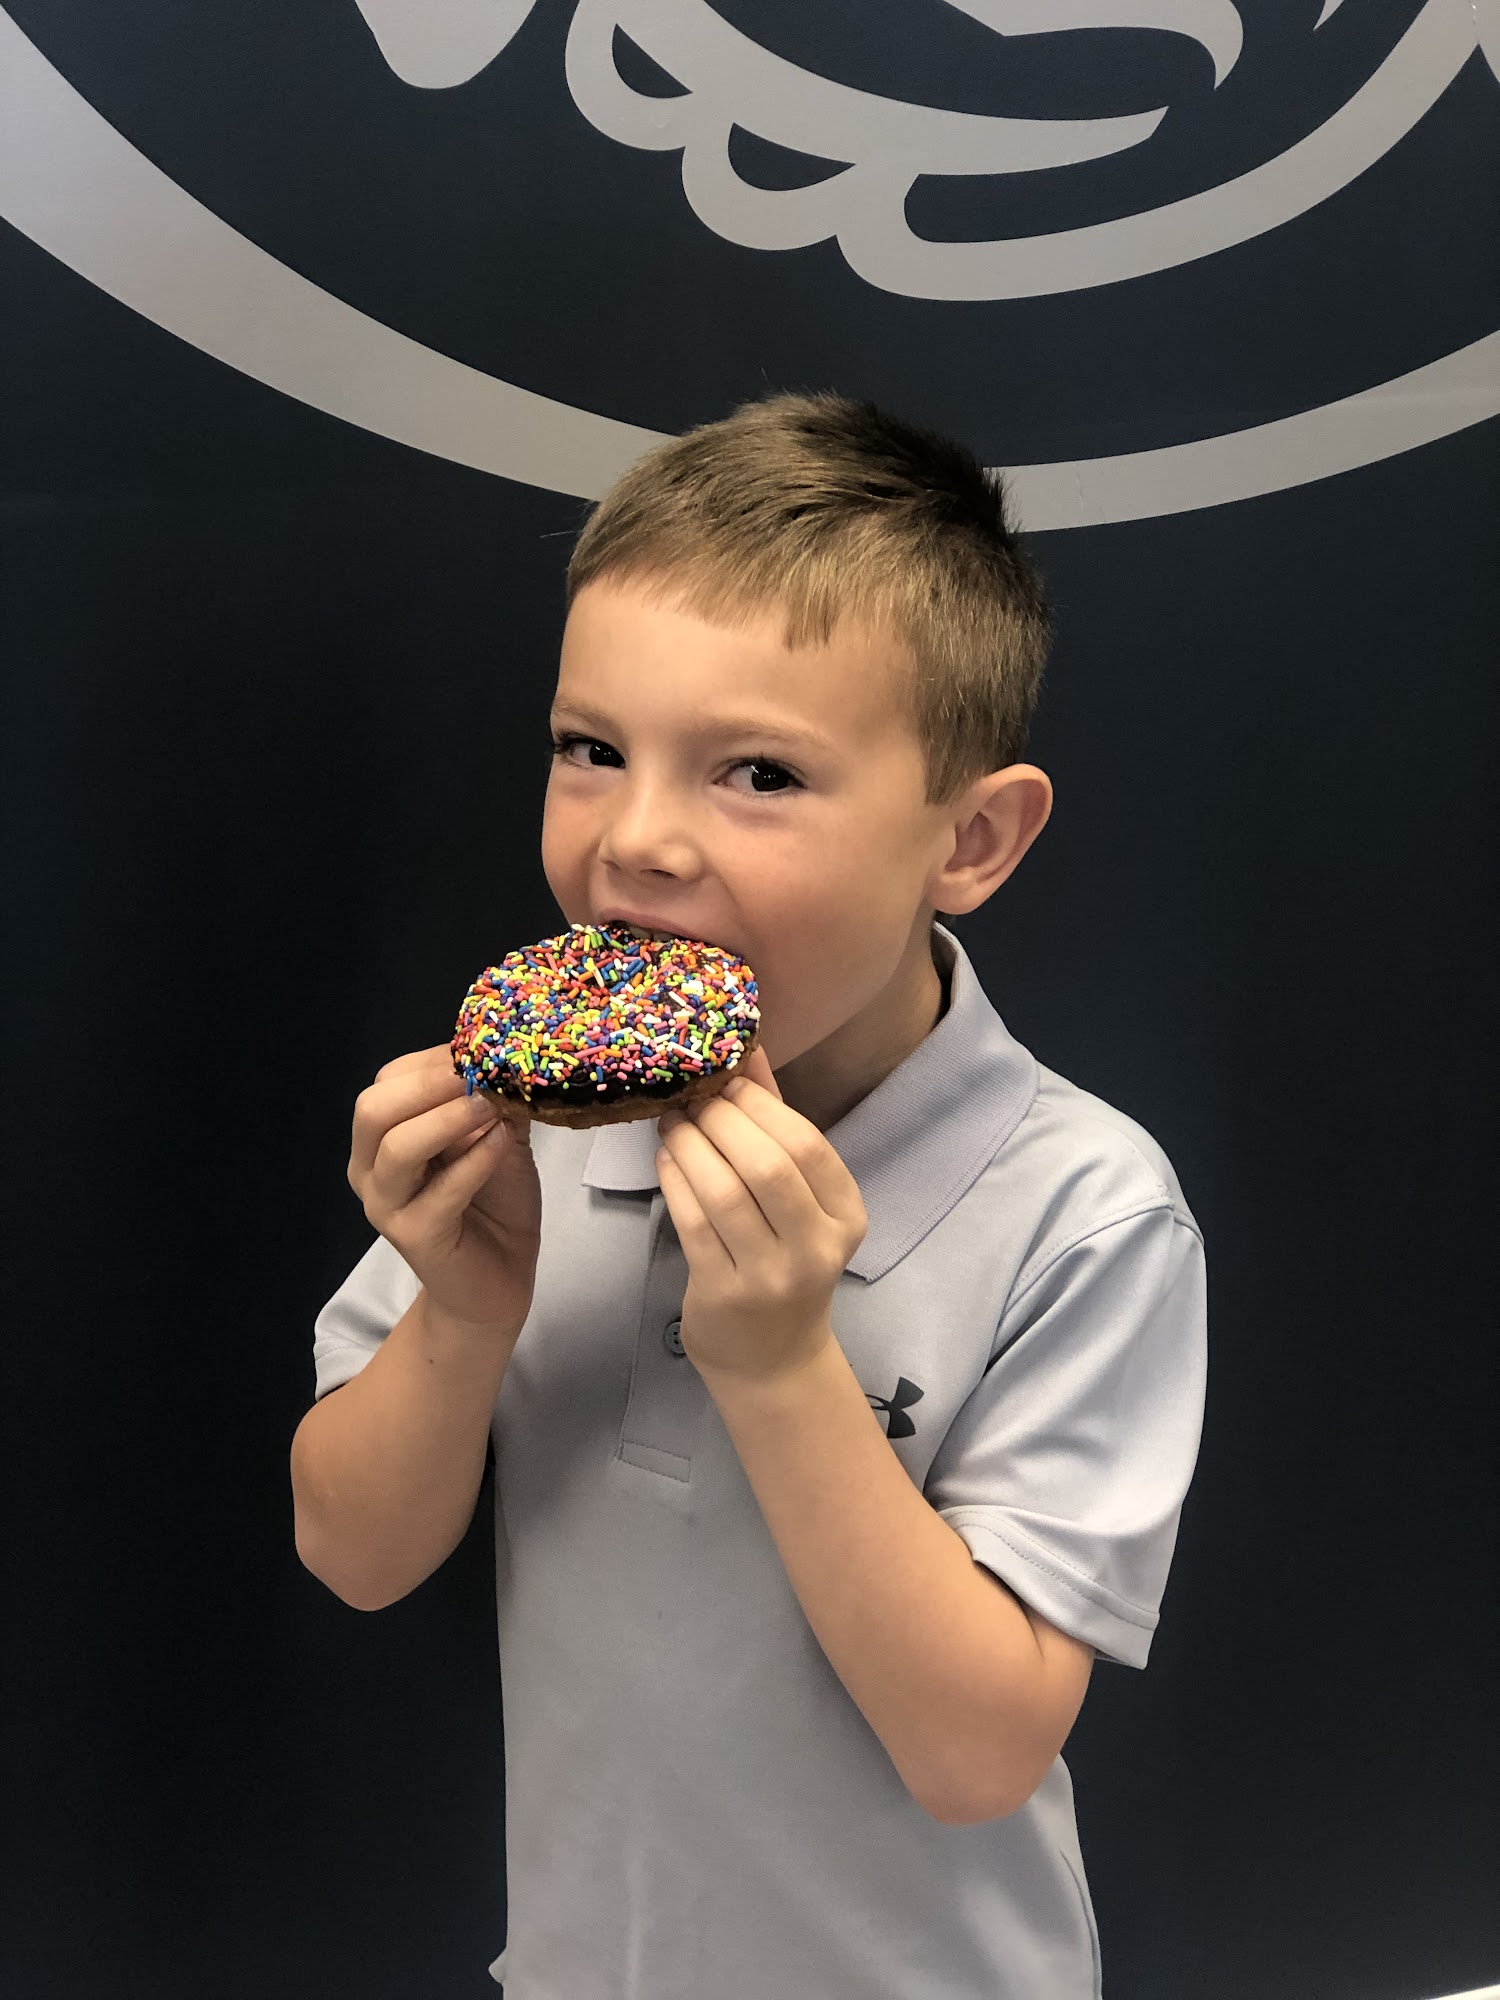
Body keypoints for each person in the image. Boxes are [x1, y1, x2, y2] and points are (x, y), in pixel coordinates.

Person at [290, 389, 1208, 1998]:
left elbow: (978, 1754)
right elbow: (350, 1551)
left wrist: (782, 1364)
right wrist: (464, 1311)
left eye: (760, 774)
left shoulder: (1085, 1211)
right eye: (591, 751)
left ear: (970, 839)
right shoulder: (547, 1130)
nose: (637, 840)